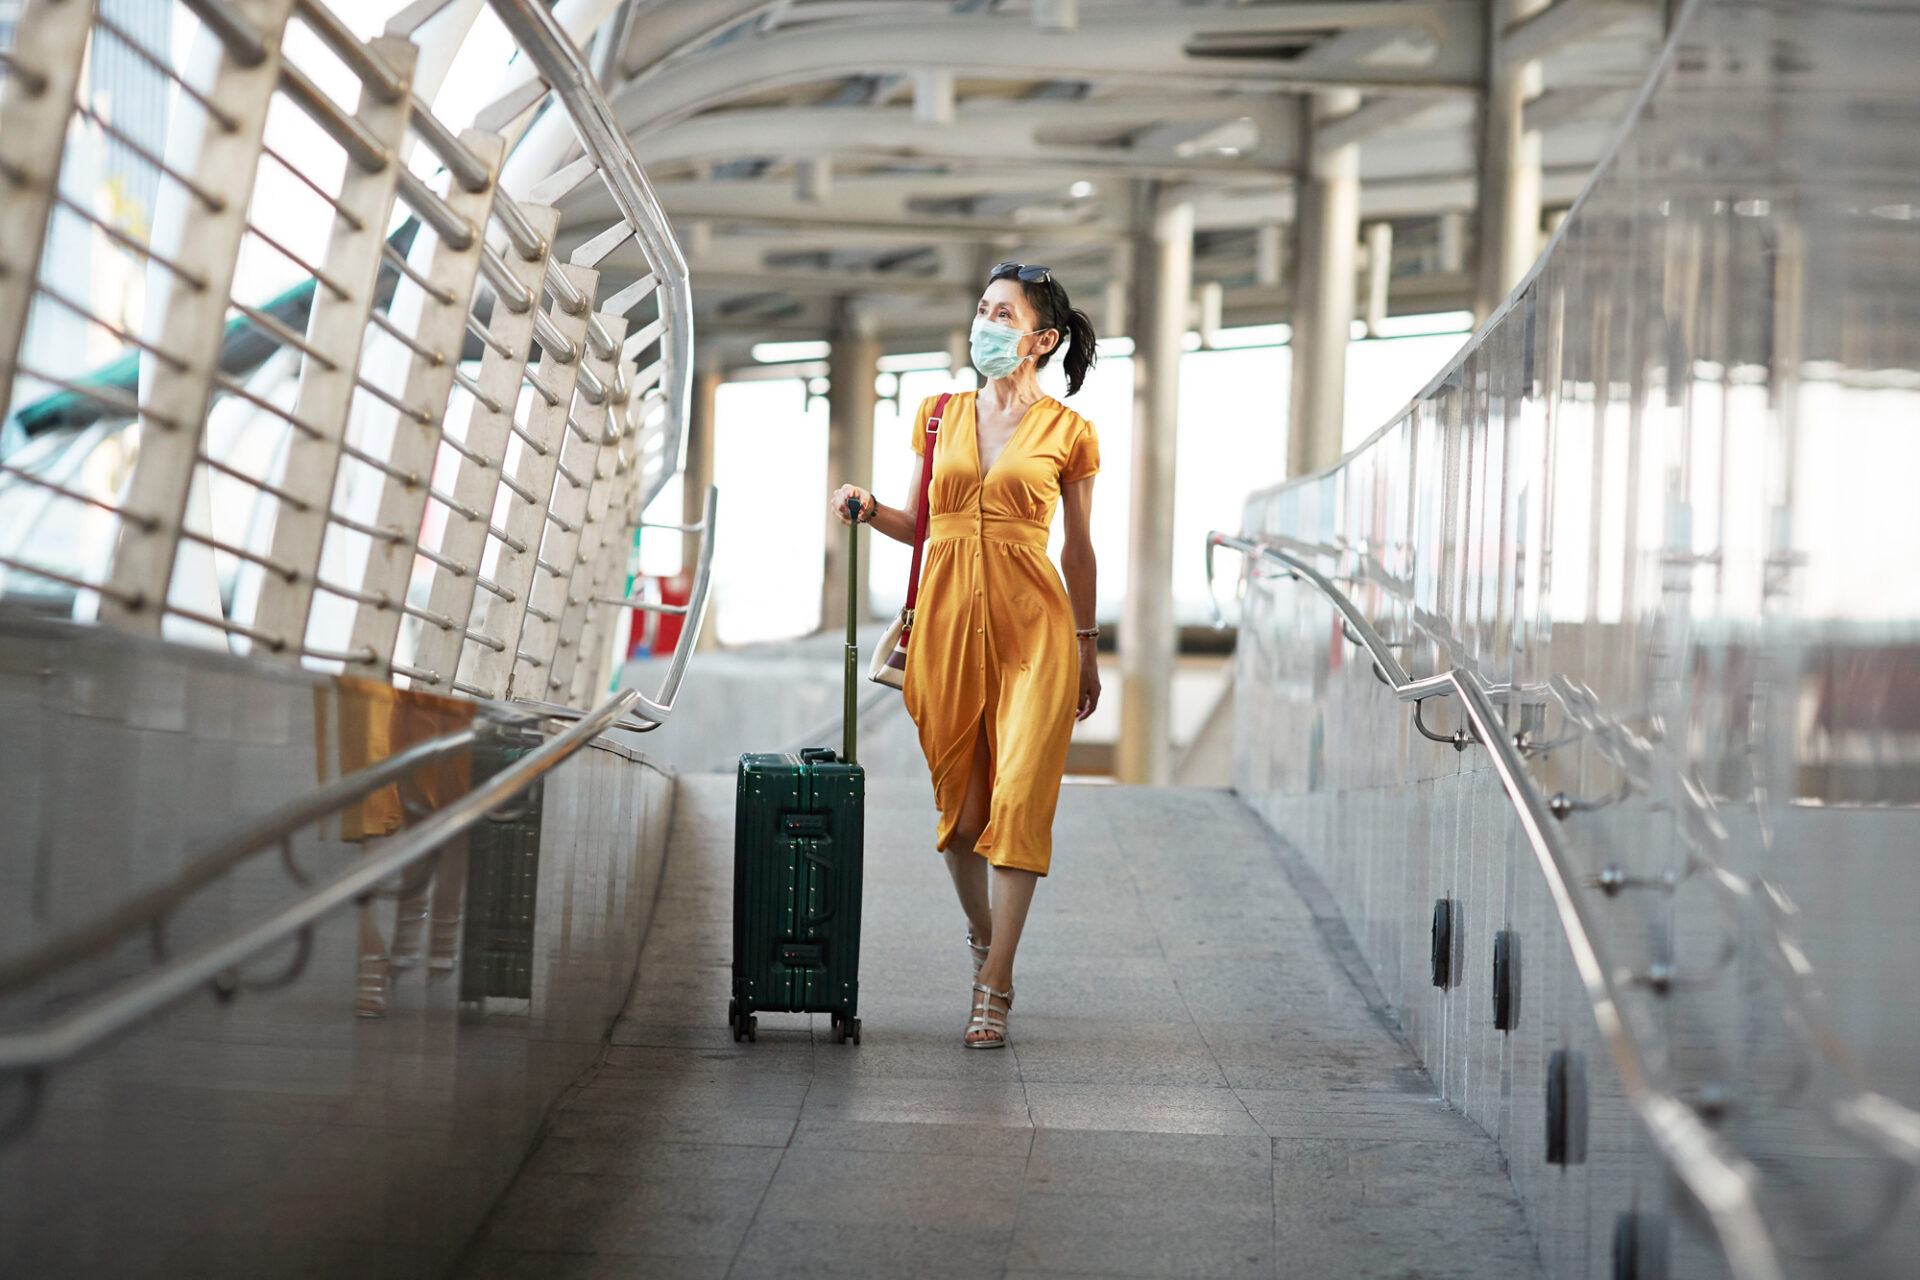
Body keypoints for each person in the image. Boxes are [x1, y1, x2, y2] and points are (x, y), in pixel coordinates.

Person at [830, 262, 1102, 1048]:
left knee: (1018, 802)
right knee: (961, 816)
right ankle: (985, 935)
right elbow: (922, 524)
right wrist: (868, 506)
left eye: (1003, 314)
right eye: (982, 309)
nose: (985, 323)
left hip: (1037, 631)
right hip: (945, 626)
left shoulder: (1069, 433)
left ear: (1041, 340)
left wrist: (1087, 647)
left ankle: (997, 982)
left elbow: (1079, 553)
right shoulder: (938, 414)